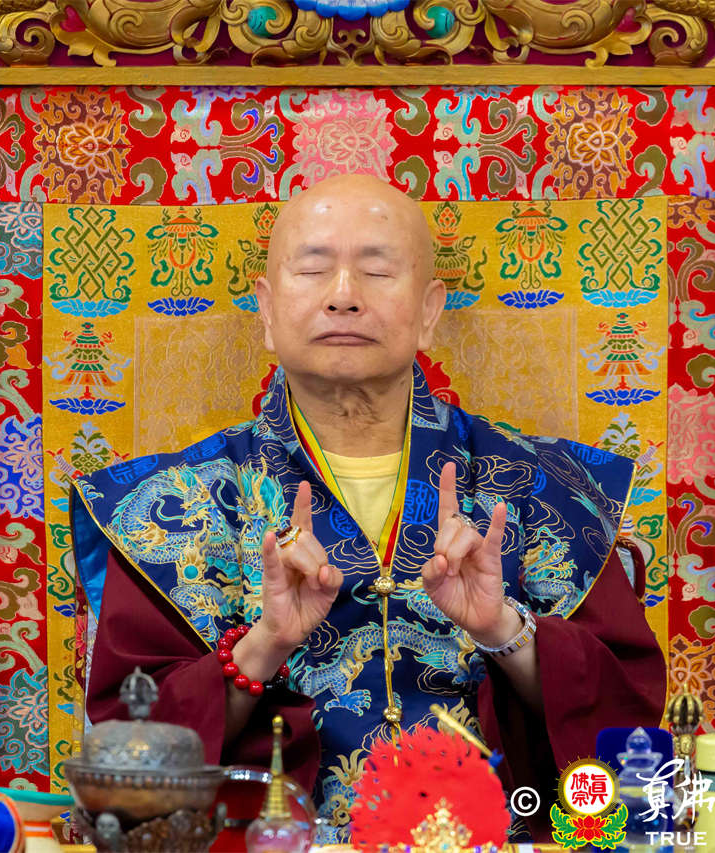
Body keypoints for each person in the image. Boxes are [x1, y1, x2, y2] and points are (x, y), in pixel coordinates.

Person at [71, 174, 666, 843]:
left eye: (377, 271)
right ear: (265, 310)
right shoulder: (177, 502)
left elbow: (630, 728)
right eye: (313, 269)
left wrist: (505, 629)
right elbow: (127, 751)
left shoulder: (541, 487)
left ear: (430, 310)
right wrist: (264, 646)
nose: (344, 296)